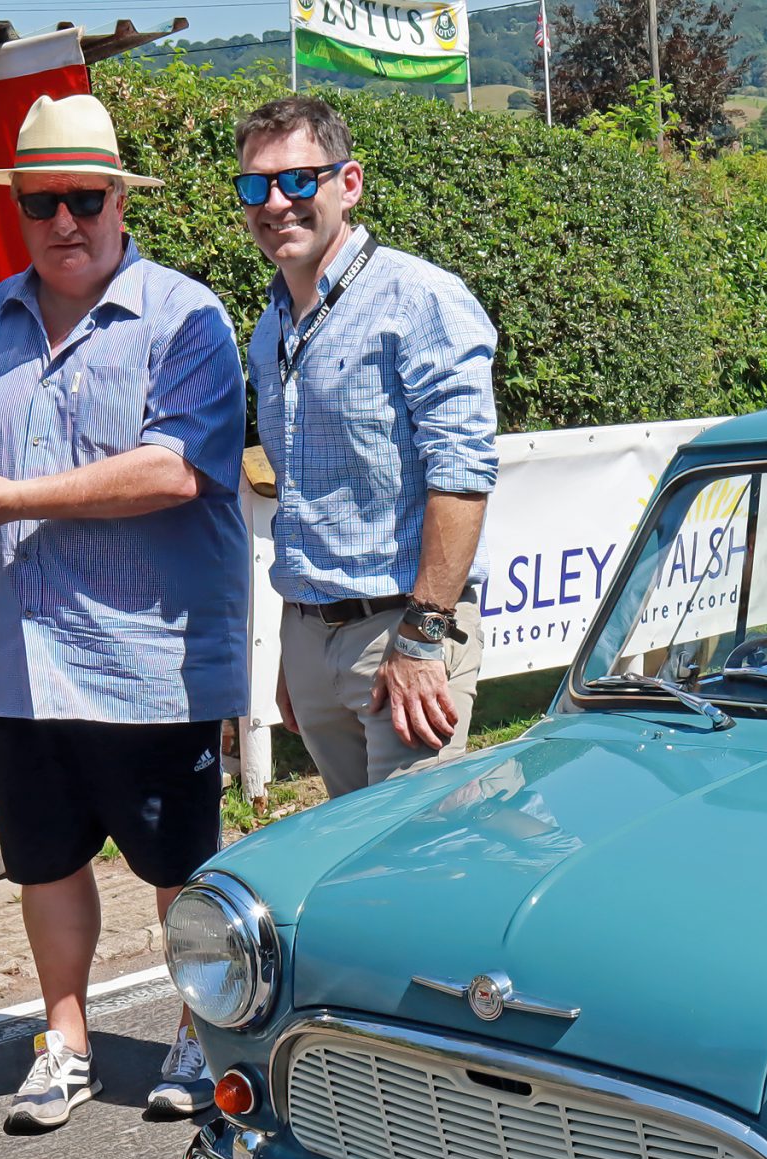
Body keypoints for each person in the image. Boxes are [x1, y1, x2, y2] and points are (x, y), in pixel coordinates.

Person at [0, 93, 250, 1131]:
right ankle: (66, 1041)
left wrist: (9, 499)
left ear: (118, 203)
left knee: (179, 870)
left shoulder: (184, 316)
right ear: (18, 208)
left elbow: (174, 470)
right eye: (43, 202)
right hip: (17, 660)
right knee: (47, 862)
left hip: (148, 659)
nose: (65, 221)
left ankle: (202, 1032)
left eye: (85, 200)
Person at [237, 93, 499, 799]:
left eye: (297, 180)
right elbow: (300, 498)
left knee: (413, 873)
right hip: (311, 639)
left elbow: (463, 475)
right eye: (254, 185)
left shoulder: (419, 299)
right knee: (351, 870)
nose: (275, 202)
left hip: (402, 630)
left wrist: (421, 637)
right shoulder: (271, 326)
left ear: (348, 184)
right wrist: (298, 656)